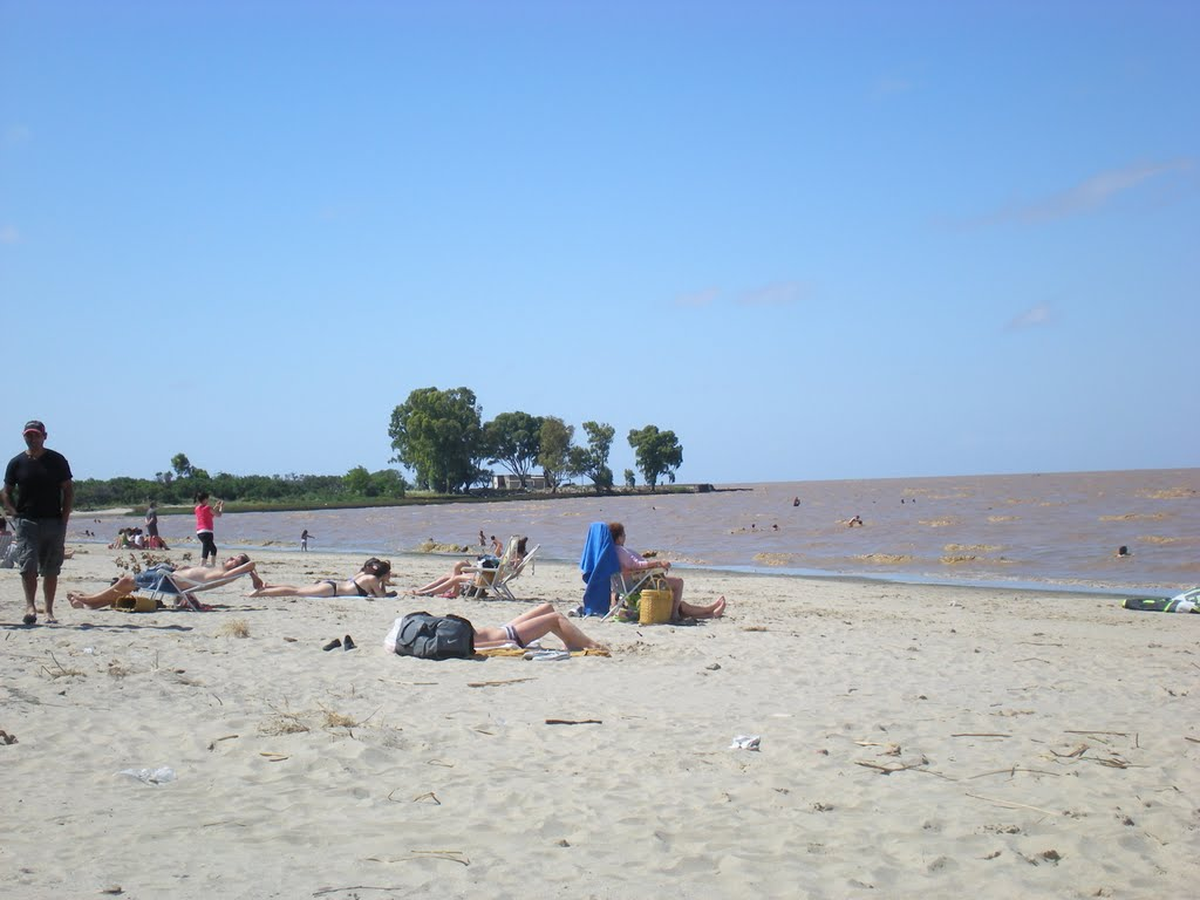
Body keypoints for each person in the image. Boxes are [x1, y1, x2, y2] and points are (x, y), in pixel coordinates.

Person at [2, 420, 73, 625]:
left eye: (36, 435)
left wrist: (64, 518)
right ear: (24, 436)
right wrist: (14, 512)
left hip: (53, 520)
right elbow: (6, 492)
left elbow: (68, 490)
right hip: (27, 521)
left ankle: (49, 610)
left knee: (51, 567)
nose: (32, 438)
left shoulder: (56, 460)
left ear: (44, 436)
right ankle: (30, 606)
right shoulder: (16, 463)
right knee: (28, 565)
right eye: (28, 435)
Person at [608, 522, 725, 620]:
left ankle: (710, 610)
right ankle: (677, 614)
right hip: (639, 583)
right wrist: (658, 563)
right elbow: (635, 565)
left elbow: (631, 566)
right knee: (678, 583)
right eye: (624, 535)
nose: (625, 537)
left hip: (628, 584)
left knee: (680, 603)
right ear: (619, 538)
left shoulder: (610, 552)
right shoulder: (621, 551)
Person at [67, 553, 264, 610]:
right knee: (126, 583)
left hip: (170, 580)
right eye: (231, 558)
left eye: (234, 561)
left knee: (127, 581)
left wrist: (250, 573)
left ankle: (91, 600)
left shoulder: (225, 575)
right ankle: (91, 603)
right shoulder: (220, 570)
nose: (229, 560)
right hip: (171, 575)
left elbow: (251, 563)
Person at [412, 538, 529, 599]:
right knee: (454, 570)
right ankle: (422, 590)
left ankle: (430, 593)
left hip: (488, 577)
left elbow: (503, 566)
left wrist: (510, 560)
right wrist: (499, 546)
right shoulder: (513, 559)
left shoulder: (517, 560)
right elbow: (499, 558)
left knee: (456, 577)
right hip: (489, 575)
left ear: (515, 550)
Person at [472, 602, 605, 651]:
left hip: (502, 629)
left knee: (547, 608)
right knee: (556, 617)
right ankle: (593, 645)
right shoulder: (454, 640)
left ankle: (569, 641)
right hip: (508, 636)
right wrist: (504, 642)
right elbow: (472, 646)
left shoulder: (452, 630)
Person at [250, 558, 395, 598]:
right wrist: (384, 583)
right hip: (331, 590)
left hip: (331, 584)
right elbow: (381, 596)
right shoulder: (374, 580)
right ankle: (261, 593)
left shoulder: (365, 575)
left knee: (297, 588)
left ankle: (268, 586)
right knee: (295, 592)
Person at [194, 491, 223, 566]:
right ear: (204, 499)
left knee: (213, 549)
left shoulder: (197, 508)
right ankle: (202, 567)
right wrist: (221, 507)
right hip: (207, 532)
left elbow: (210, 515)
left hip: (199, 532)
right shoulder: (208, 507)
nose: (208, 501)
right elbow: (218, 515)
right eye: (207, 499)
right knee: (206, 551)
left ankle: (213, 566)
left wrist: (216, 506)